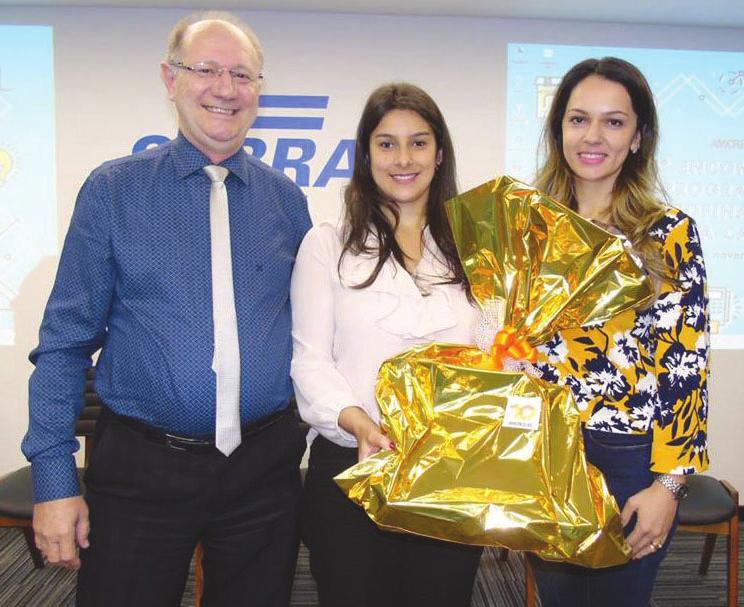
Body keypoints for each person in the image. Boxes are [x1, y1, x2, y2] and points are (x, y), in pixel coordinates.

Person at [21, 11, 311, 607]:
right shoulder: (114, 191)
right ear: (169, 78)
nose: (225, 88)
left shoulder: (285, 201)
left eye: (241, 74)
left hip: (263, 474)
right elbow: (64, 343)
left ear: (259, 89)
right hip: (141, 475)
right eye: (205, 69)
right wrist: (54, 479)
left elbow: (309, 334)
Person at [290, 83, 483, 607]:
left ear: (439, 154)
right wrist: (358, 422)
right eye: (387, 143)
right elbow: (310, 359)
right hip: (355, 466)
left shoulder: (475, 245)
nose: (403, 159)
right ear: (366, 153)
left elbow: (494, 355)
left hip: (451, 473)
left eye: (419, 143)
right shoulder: (328, 244)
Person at [528, 57, 710, 606]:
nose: (593, 136)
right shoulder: (530, 227)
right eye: (578, 119)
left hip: (631, 457)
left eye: (614, 122)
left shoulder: (666, 233)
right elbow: (511, 341)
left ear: (638, 138)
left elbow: (687, 365)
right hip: (546, 450)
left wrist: (668, 486)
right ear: (558, 130)